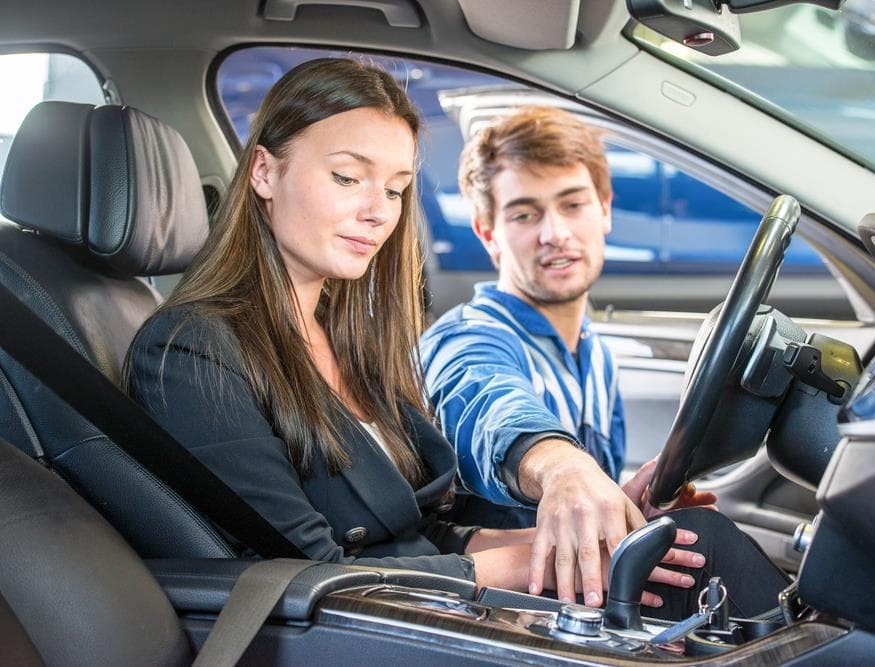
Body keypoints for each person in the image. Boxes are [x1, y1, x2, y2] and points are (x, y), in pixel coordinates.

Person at [125, 59, 683, 606]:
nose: (378, 212)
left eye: (395, 189)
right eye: (348, 177)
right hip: (361, 635)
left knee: (701, 551)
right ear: (265, 172)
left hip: (433, 613)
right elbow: (307, 577)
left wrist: (607, 529)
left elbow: (421, 537)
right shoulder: (189, 351)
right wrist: (552, 525)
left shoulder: (351, 343)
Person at [420, 106, 790, 614]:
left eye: (572, 205)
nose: (554, 233)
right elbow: (485, 401)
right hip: (504, 614)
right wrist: (561, 468)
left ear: (605, 209)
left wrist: (622, 507)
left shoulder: (594, 353)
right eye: (525, 214)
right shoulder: (469, 337)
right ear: (488, 234)